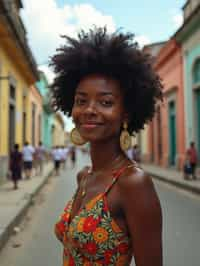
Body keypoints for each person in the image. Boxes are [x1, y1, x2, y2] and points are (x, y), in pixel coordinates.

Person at [51, 27, 163, 266]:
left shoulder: (133, 183)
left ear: (126, 113)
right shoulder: (84, 176)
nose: (90, 109)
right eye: (82, 100)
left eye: (106, 102)